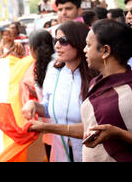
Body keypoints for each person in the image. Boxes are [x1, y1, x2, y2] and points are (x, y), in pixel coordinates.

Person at [81, 19, 132, 161]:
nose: (84, 50)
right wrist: (46, 127)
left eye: (88, 45)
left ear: (105, 51)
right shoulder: (95, 84)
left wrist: (118, 133)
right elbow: (90, 126)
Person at [21, 21, 98, 162]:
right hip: (60, 153)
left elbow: (95, 126)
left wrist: (47, 127)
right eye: (55, 40)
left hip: (90, 153)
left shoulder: (95, 75)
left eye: (63, 41)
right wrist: (33, 105)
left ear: (79, 42)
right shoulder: (54, 70)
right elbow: (49, 108)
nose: (57, 46)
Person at [20, 29, 56, 160]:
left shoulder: (54, 67)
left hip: (57, 127)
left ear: (32, 49)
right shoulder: (46, 64)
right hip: (51, 127)